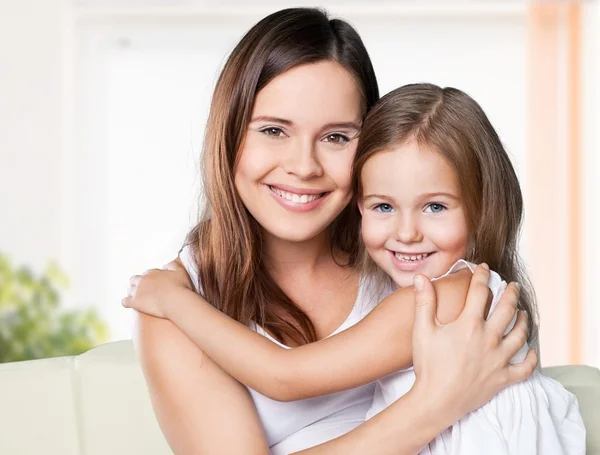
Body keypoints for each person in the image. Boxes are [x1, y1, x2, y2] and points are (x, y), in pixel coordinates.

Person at [124, 8, 537, 455]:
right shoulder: (181, 303)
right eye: (273, 130)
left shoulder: (410, 265)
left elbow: (285, 376)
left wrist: (437, 405)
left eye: (336, 137)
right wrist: (435, 405)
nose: (304, 167)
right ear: (227, 135)